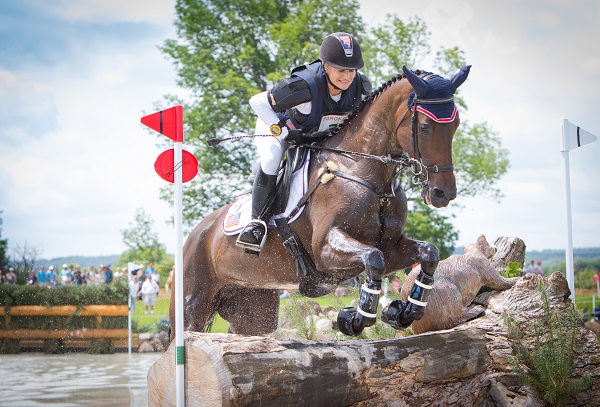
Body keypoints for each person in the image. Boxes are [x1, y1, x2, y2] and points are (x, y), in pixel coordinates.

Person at [236, 32, 371, 253]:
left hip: (314, 136)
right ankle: (256, 223)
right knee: (271, 159)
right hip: (277, 126)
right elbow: (258, 102)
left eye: (351, 70)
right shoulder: (303, 86)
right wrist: (283, 131)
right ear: (326, 66)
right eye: (341, 70)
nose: (347, 77)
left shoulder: (361, 87)